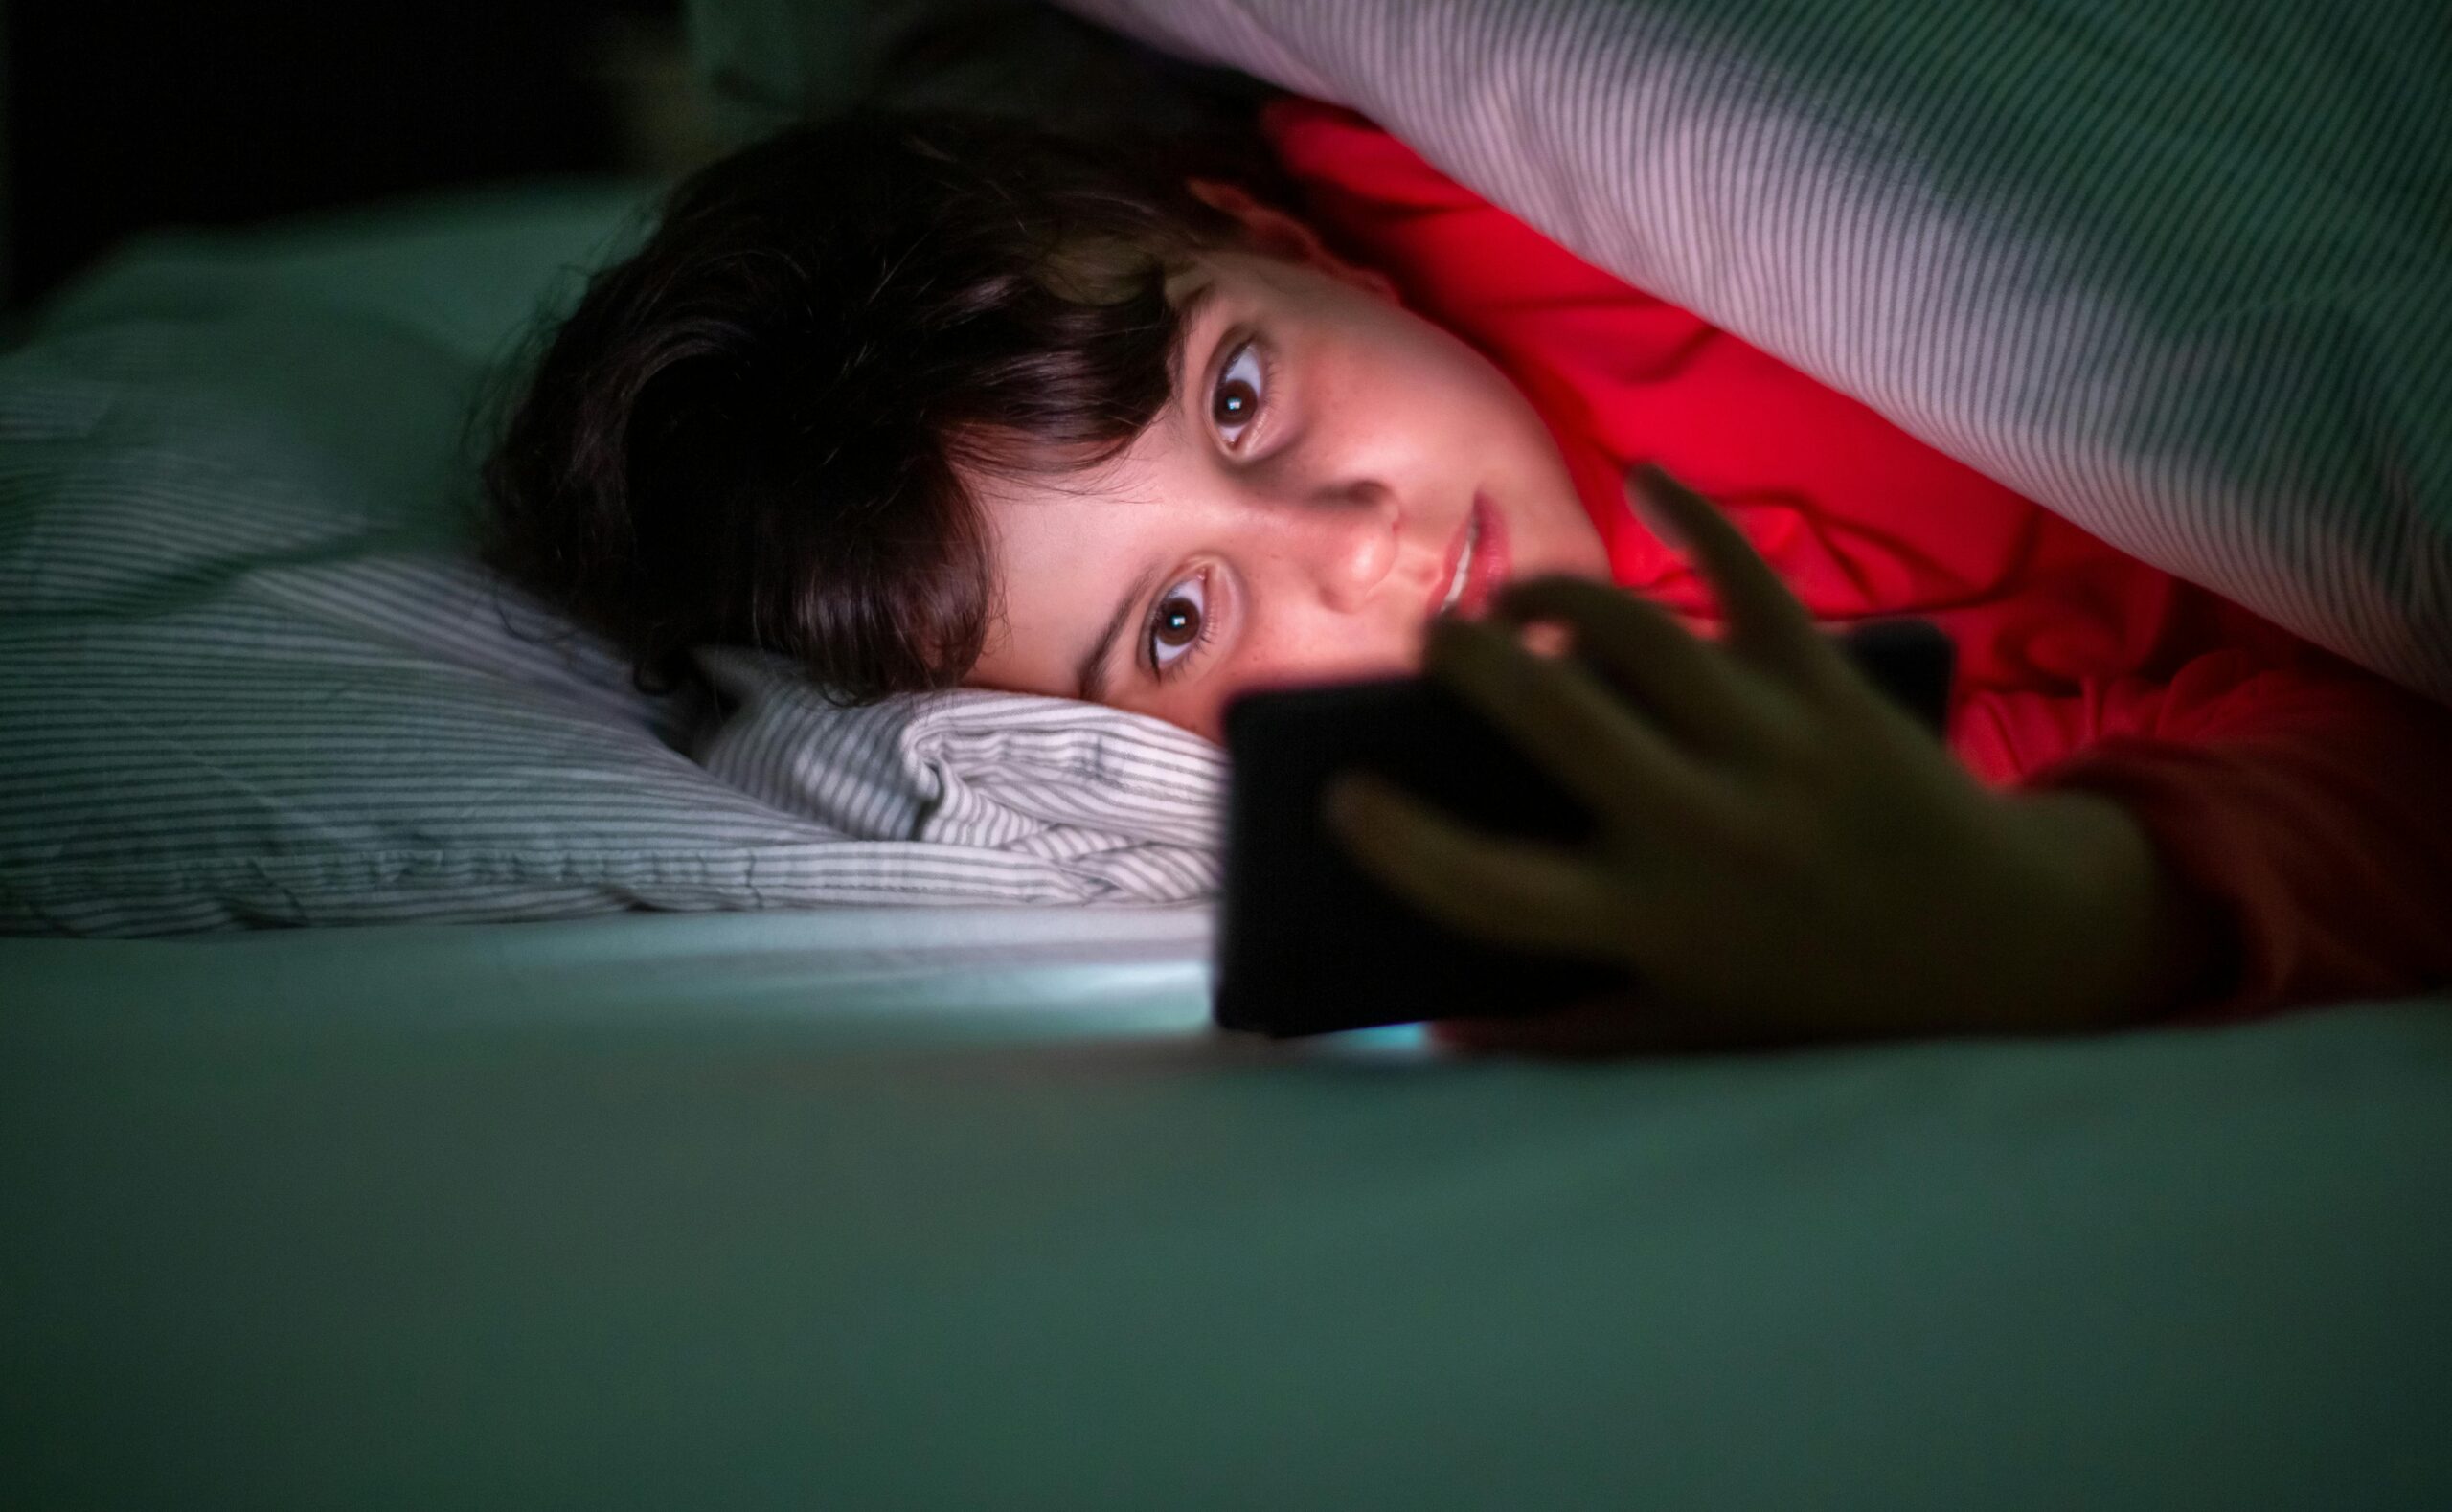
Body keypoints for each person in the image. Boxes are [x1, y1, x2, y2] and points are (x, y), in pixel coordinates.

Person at [483, 98, 2452, 1053]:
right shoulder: (1685, 764)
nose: (1358, 538)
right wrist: (2080, 908)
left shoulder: (1503, 135)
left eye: (1237, 394)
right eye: (1175, 620)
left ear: (1274, 233)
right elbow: (2376, 755)